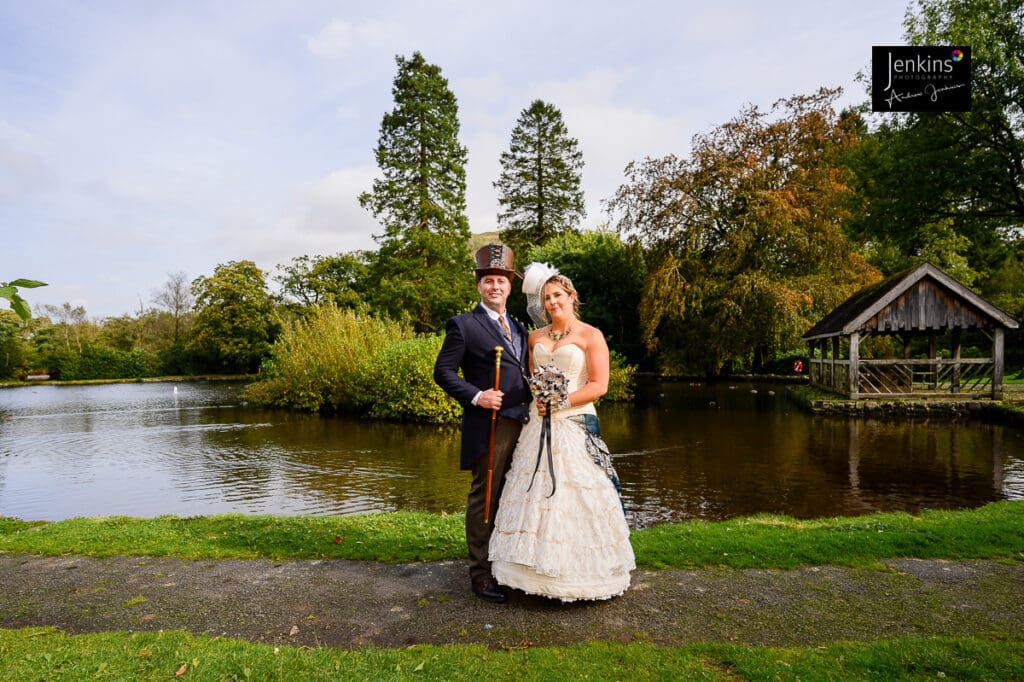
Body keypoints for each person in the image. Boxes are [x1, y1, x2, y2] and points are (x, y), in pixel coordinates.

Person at [488, 263, 635, 602]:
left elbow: (599, 384)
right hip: (539, 423)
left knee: (576, 493)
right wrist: (540, 400)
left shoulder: (590, 336)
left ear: (571, 296)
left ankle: (577, 574)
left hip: (574, 422)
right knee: (533, 492)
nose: (552, 302)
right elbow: (531, 379)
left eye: (558, 295)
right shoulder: (535, 338)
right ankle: (526, 571)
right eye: (546, 298)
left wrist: (562, 401)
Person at [434, 244, 532, 604]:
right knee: (485, 497)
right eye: (489, 280)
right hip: (490, 424)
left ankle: (506, 563)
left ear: (509, 287)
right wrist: (477, 396)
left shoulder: (520, 327)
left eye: (501, 281)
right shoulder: (463, 325)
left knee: (514, 494)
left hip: (525, 423)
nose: (495, 286)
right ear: (479, 286)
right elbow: (443, 372)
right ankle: (480, 574)